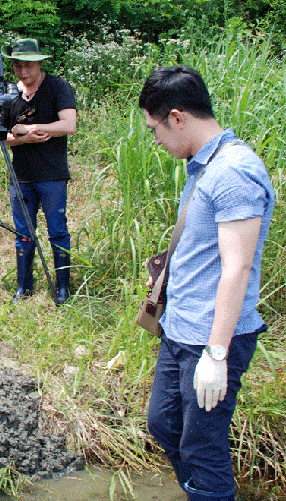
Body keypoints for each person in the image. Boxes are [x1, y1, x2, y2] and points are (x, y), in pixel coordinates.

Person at [139, 65, 274, 501]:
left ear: (178, 117)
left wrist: (216, 354)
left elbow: (236, 268)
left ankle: (210, 492)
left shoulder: (234, 171)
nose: (155, 140)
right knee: (164, 424)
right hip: (180, 327)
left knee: (203, 445)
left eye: (155, 128)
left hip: (211, 338)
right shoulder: (204, 164)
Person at [2, 38, 77, 304]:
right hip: (20, 176)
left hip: (52, 174)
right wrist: (24, 138)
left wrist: (31, 129)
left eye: (28, 66)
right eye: (17, 66)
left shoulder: (58, 87)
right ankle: (24, 287)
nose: (23, 72)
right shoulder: (9, 93)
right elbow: (3, 136)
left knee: (57, 229)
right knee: (23, 232)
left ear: (40, 64)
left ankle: (62, 288)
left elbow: (69, 124)